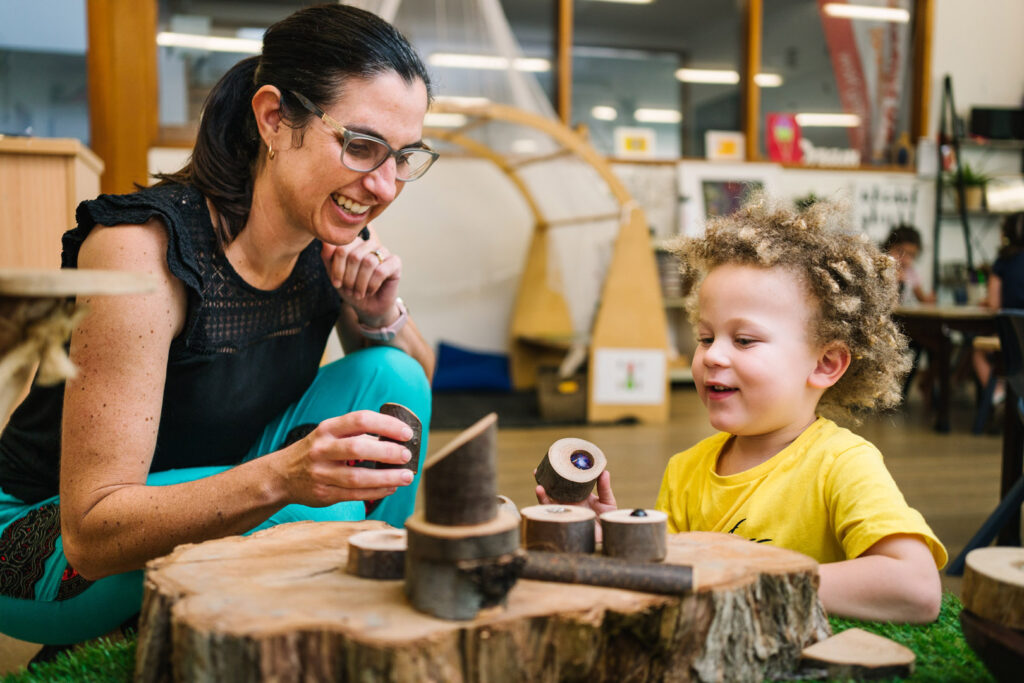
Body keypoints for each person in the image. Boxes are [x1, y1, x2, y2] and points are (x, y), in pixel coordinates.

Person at [0, 4, 438, 647]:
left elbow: (415, 395)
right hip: (45, 546)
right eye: (361, 146)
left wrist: (379, 315)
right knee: (316, 506)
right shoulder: (142, 251)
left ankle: (355, 619)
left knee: (392, 371)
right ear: (273, 118)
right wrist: (285, 478)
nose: (383, 185)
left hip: (204, 490)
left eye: (404, 156)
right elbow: (91, 534)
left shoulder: (329, 236)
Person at [538, 196, 946, 623]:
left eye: (745, 340)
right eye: (706, 337)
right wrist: (619, 538)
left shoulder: (842, 464)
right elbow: (674, 584)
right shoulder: (685, 471)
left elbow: (914, 589)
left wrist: (746, 578)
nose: (713, 356)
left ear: (825, 364)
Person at [973, 211, 1024, 404]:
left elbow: (994, 305)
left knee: (977, 352)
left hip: (1012, 337)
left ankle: (998, 394)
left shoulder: (1003, 261)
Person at [882, 224, 936, 305]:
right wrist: (891, 282)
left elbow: (922, 299)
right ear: (888, 248)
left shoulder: (910, 272)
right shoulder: (880, 269)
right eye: (899, 252)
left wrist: (928, 300)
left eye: (911, 255)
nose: (905, 259)